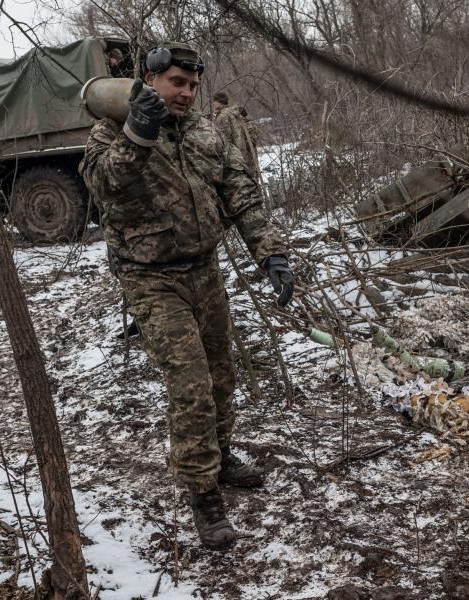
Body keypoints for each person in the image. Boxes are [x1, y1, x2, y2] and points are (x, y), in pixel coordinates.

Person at [79, 41, 294, 551]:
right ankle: (202, 494)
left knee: (221, 372)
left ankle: (218, 456)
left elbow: (239, 190)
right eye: (178, 82)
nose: (187, 93)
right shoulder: (109, 130)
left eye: (194, 85)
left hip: (204, 268)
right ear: (151, 80)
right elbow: (105, 188)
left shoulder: (204, 130)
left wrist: (270, 253)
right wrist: (138, 134)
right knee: (191, 385)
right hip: (151, 278)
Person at [212, 91, 262, 180]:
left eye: (214, 101)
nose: (213, 104)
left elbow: (222, 142)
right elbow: (253, 134)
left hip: (235, 163)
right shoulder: (238, 113)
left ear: (219, 102)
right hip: (248, 160)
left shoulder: (222, 116)